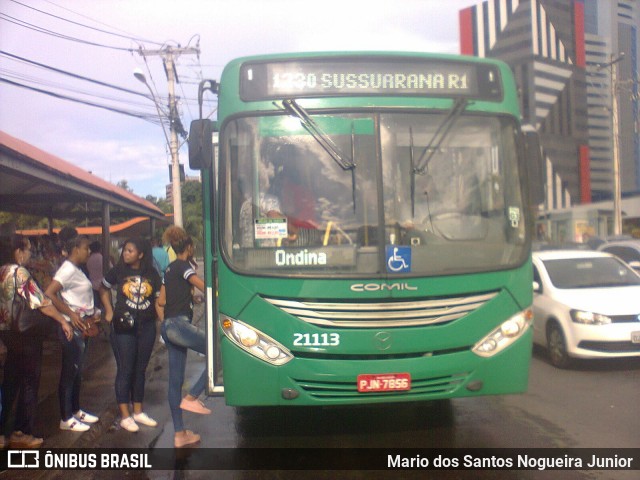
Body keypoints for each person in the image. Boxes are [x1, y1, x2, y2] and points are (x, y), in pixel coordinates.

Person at [0, 234, 73, 448]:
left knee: (10, 380)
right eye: (28, 250)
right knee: (29, 381)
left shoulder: (1, 271)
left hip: (7, 332)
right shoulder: (18, 272)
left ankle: (2, 431)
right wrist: (62, 320)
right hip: (26, 334)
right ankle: (22, 431)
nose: (30, 254)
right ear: (19, 251)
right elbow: (41, 302)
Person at [99, 238, 161, 433]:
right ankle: (125, 416)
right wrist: (108, 310)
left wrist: (164, 323)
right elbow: (103, 288)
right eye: (125, 250)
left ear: (140, 254)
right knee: (125, 369)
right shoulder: (118, 271)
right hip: (123, 327)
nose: (125, 254)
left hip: (147, 326)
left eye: (130, 250)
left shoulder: (151, 272)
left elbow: (158, 299)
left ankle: (138, 411)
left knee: (140, 369)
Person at [158, 226, 211, 448]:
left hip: (168, 326)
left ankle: (180, 434)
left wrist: (191, 301)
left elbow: (161, 301)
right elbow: (204, 286)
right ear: (188, 248)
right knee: (217, 350)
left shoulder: (169, 269)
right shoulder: (185, 266)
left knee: (175, 382)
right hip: (179, 325)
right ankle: (193, 397)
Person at [44, 229, 99, 432]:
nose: (88, 252)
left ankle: (76, 410)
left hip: (84, 326)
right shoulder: (67, 269)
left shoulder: (77, 268)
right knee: (70, 372)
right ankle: (65, 417)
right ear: (75, 249)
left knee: (77, 371)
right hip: (72, 328)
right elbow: (49, 293)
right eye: (86, 248)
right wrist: (71, 314)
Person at [86, 241, 104, 313]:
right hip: (102, 285)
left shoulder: (88, 259)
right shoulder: (102, 258)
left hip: (92, 284)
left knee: (95, 306)